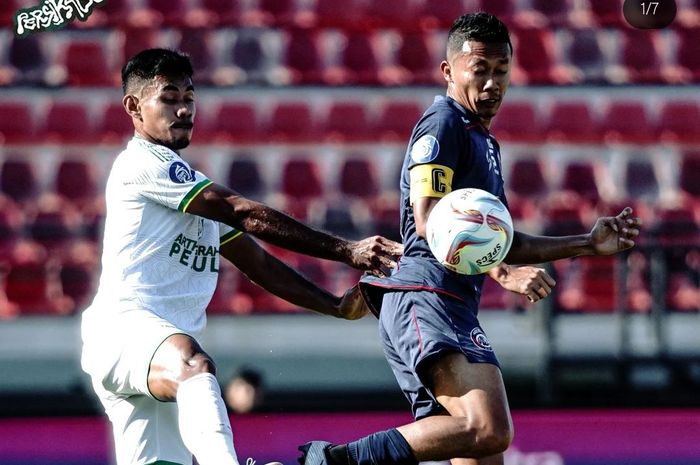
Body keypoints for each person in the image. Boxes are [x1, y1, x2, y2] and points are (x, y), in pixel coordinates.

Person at [298, 12, 642, 465]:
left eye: (501, 71)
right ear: (448, 71)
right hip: (426, 294)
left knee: (478, 451)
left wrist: (585, 244)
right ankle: (334, 461)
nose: (492, 83)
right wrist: (501, 270)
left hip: (447, 299)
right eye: (479, 70)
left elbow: (500, 238)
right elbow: (428, 219)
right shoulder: (443, 124)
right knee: (488, 428)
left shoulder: (484, 141)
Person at [80, 48, 404, 465]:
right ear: (133, 107)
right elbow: (242, 212)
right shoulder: (144, 165)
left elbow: (259, 264)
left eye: (189, 98)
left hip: (153, 350)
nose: (183, 109)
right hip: (126, 331)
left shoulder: (187, 193)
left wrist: (334, 306)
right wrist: (346, 250)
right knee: (195, 364)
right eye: (169, 97)